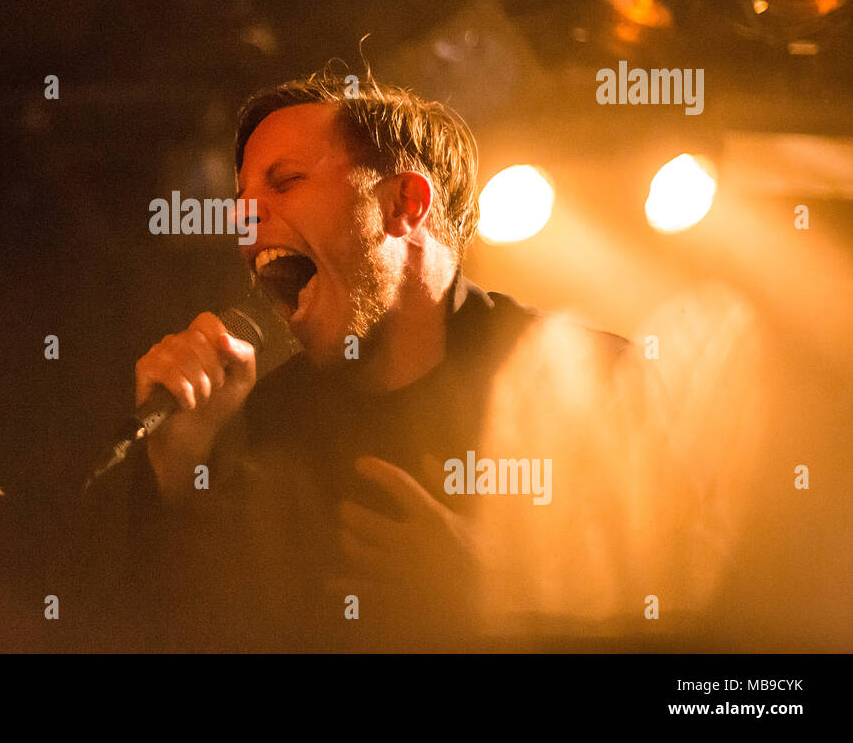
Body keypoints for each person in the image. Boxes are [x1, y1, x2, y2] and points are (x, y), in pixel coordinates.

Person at [78, 64, 702, 651]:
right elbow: (173, 634)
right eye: (241, 198)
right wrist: (180, 465)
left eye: (286, 181)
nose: (246, 218)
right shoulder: (259, 423)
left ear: (406, 203)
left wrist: (501, 601)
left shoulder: (595, 383)